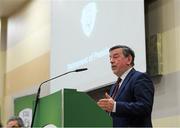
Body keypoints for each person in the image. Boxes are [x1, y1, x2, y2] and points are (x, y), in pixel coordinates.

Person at [97, 45, 154, 127]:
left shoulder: (139, 78)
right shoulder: (115, 86)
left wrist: (115, 106)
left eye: (115, 57)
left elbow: (144, 107)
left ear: (129, 59)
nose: (111, 61)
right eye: (110, 58)